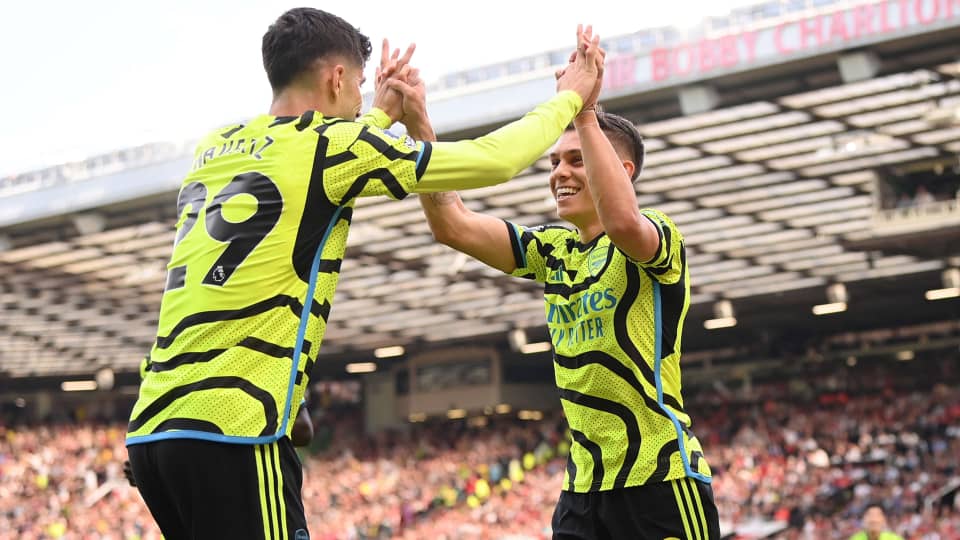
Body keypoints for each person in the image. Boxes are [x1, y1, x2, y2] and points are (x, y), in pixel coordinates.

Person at [125, 7, 602, 540]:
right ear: (336, 78)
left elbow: (306, 160)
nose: (359, 100)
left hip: (153, 427)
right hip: (233, 427)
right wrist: (570, 98)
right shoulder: (335, 147)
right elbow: (494, 161)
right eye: (356, 86)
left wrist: (379, 117)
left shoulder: (214, 148)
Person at [403, 26, 720, 539]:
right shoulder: (554, 251)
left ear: (622, 170)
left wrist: (584, 111)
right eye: (554, 162)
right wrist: (419, 123)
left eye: (575, 160)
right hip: (583, 492)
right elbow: (452, 225)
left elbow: (623, 222)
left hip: (660, 480)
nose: (559, 173)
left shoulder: (658, 235)